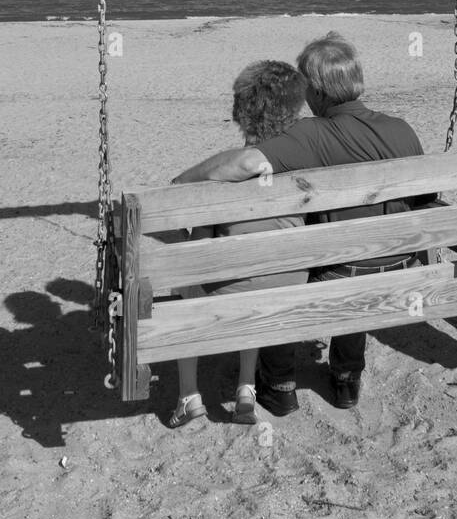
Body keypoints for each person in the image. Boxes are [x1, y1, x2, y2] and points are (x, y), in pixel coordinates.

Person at [174, 33, 431, 412]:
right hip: (398, 269)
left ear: (317, 91)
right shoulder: (402, 129)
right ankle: (346, 379)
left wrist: (182, 182)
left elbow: (246, 163)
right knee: (359, 257)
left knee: (288, 262)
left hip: (338, 272)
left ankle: (279, 385)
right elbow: (424, 202)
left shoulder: (312, 134)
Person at [168, 59, 310, 428]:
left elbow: (197, 246)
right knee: (260, 268)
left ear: (241, 112)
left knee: (188, 276)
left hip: (234, 289)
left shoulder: (224, 175)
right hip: (289, 282)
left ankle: (188, 395)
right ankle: (246, 388)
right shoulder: (306, 160)